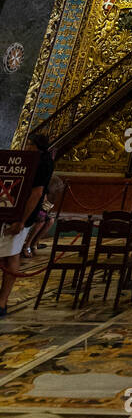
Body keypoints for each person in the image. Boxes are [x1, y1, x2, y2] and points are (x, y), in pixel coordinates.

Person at [0, 134, 55, 317]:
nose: (25, 146)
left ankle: (2, 301)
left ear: (35, 146)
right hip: (7, 210)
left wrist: (22, 220)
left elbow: (36, 193)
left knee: (11, 255)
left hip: (20, 215)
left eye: (29, 144)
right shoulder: (24, 161)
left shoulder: (42, 163)